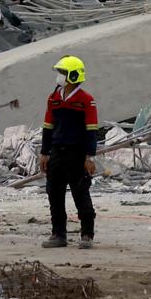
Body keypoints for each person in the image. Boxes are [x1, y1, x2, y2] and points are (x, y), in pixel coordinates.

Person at [40, 54, 101, 249]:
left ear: (73, 75)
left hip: (77, 154)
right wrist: (44, 153)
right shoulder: (53, 98)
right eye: (60, 73)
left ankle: (87, 234)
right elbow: (47, 127)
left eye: (63, 73)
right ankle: (58, 234)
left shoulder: (86, 100)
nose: (60, 76)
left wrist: (89, 157)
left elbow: (91, 130)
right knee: (54, 194)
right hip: (57, 152)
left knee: (80, 193)